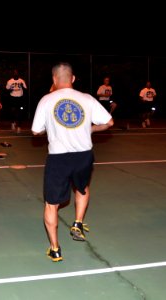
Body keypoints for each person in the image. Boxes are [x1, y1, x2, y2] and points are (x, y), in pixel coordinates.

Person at [31, 62, 113, 262]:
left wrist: (48, 129)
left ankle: (55, 249)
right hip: (84, 155)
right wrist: (90, 129)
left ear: (54, 79)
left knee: (51, 204)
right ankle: (77, 222)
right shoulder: (87, 98)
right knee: (82, 187)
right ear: (73, 78)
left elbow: (35, 130)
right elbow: (109, 122)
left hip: (59, 157)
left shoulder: (47, 100)